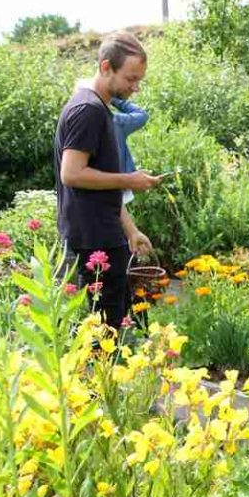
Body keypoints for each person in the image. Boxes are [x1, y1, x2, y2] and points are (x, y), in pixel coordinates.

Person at [54, 31, 161, 330]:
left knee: (113, 323)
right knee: (106, 330)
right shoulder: (87, 110)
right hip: (93, 239)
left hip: (106, 233)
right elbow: (72, 173)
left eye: (139, 79)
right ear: (105, 67)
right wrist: (130, 179)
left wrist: (130, 231)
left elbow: (104, 184)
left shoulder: (100, 109)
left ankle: (107, 375)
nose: (135, 87)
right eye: (130, 78)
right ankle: (100, 377)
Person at [110, 96, 149, 206]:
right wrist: (115, 100)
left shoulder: (75, 122)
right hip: (119, 189)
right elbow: (142, 115)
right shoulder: (116, 121)